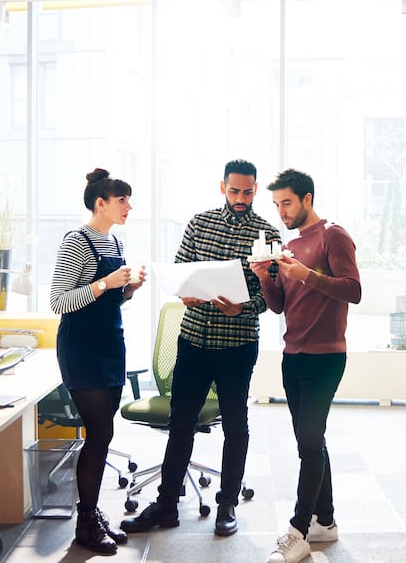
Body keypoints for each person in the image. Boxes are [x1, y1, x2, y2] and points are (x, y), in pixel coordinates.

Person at [121, 159, 282, 537]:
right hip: (193, 338)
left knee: (236, 424)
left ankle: (227, 504)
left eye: (247, 191)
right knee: (181, 422)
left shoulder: (267, 233)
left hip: (237, 344)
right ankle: (166, 506)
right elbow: (180, 272)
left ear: (256, 189)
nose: (240, 198)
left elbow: (273, 296)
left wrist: (244, 306)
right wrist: (186, 293)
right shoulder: (199, 223)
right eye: (234, 191)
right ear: (222, 187)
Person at [249, 169, 361, 563]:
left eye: (287, 203)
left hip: (326, 356)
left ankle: (297, 532)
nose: (281, 211)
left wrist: (307, 275)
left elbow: (354, 290)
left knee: (310, 443)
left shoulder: (333, 235)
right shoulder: (290, 243)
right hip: (292, 354)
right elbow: (280, 304)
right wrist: (268, 278)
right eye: (276, 204)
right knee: (309, 442)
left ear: (307, 199)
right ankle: (325, 522)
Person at [48, 168, 146, 556]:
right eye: (123, 200)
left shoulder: (115, 243)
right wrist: (106, 283)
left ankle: (92, 513)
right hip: (82, 349)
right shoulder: (76, 243)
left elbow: (109, 301)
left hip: (111, 344)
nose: (129, 207)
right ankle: (85, 521)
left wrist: (128, 289)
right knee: (99, 435)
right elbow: (59, 301)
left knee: (104, 435)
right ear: (101, 203)